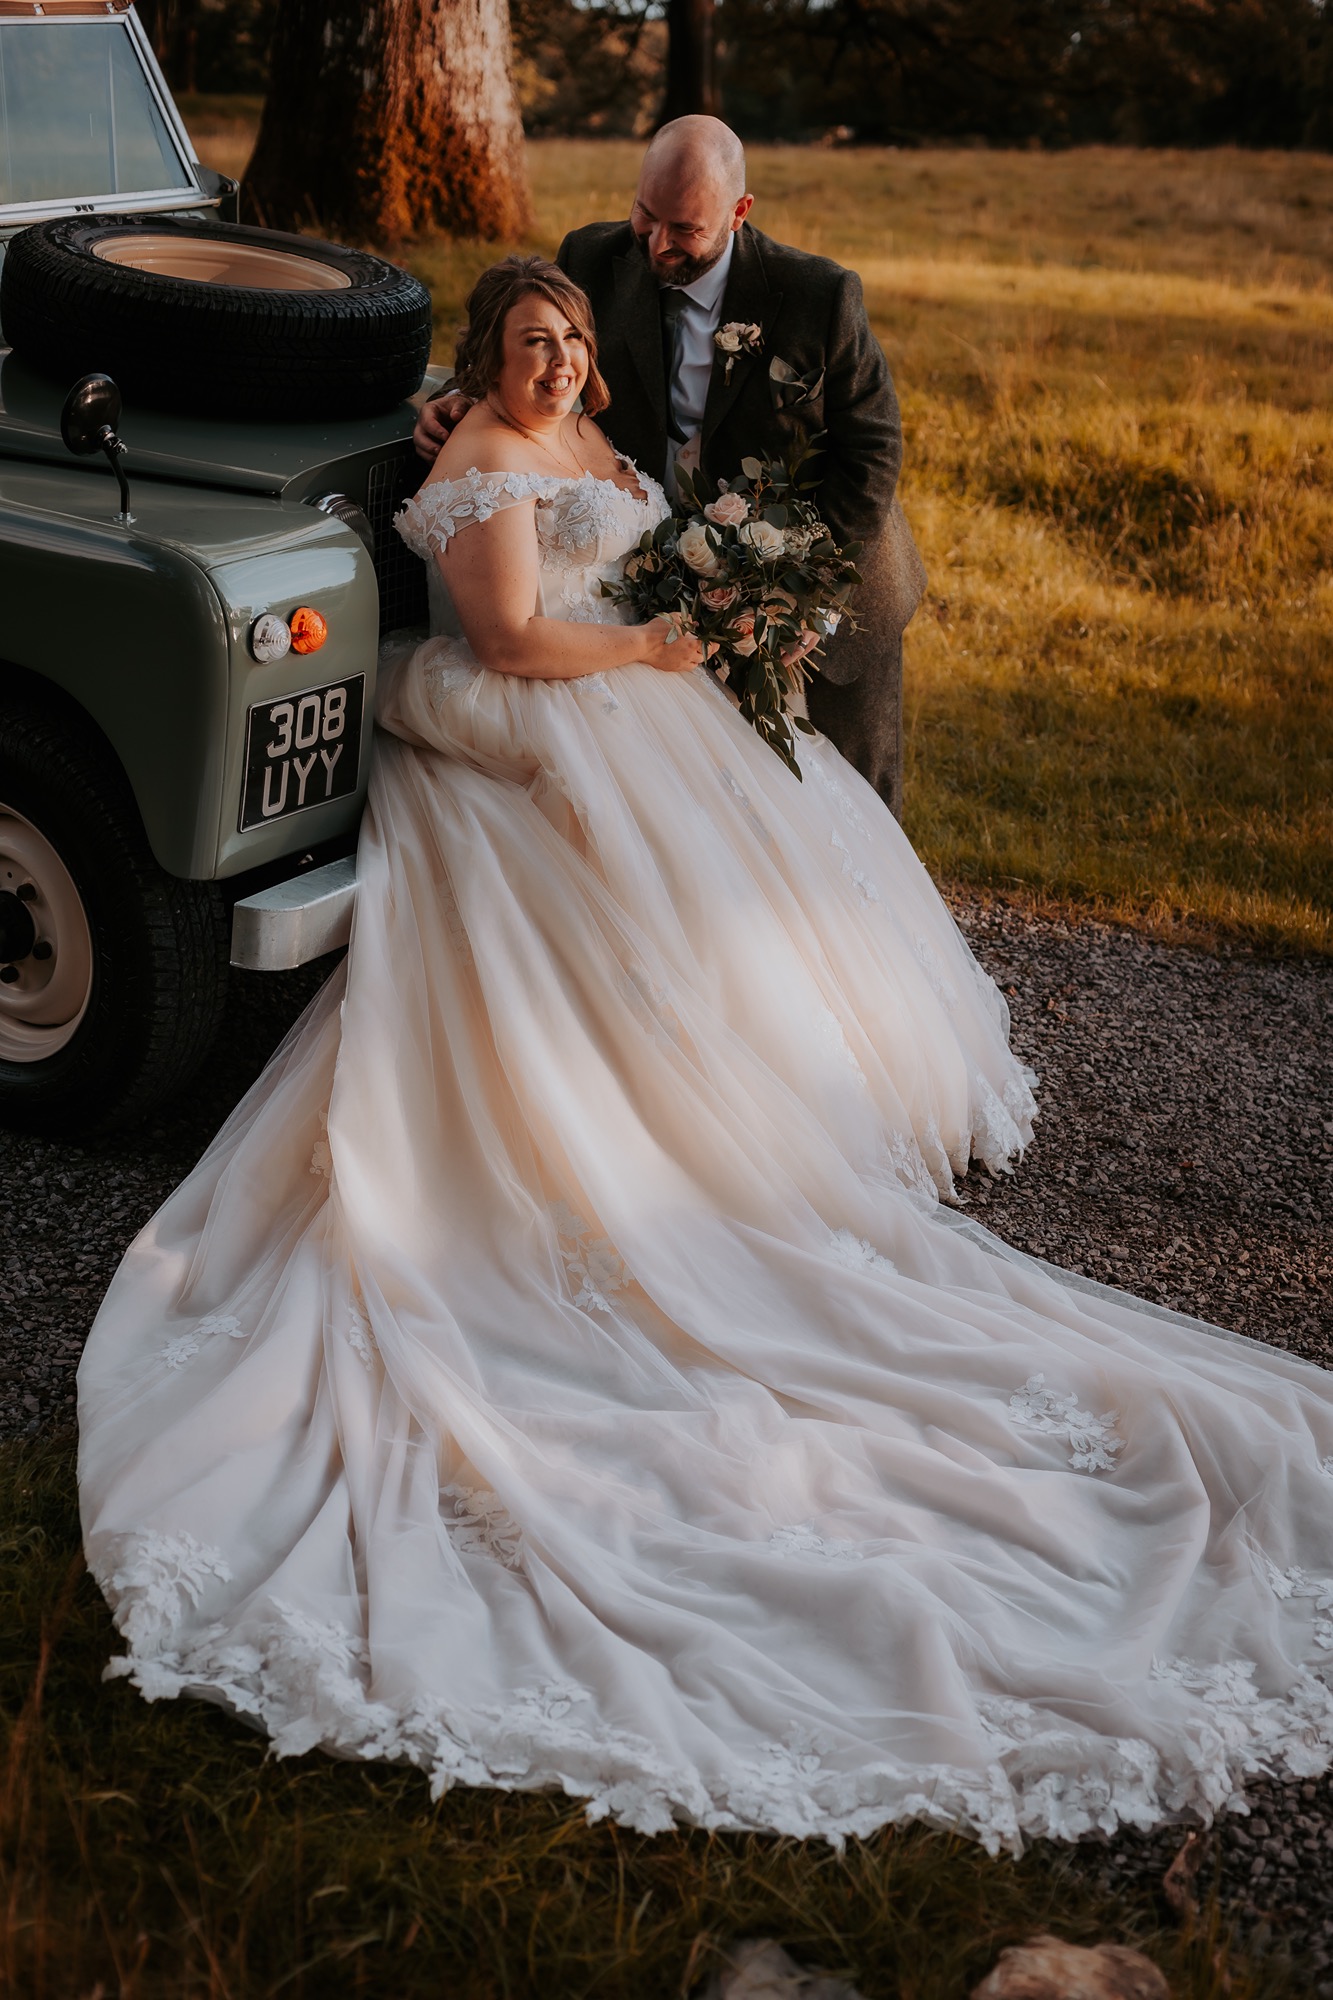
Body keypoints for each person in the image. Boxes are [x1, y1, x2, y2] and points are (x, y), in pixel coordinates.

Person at [79, 256, 1333, 1856]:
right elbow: (519, 640)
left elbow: (627, 545)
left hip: (630, 688)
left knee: (767, 891)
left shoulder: (582, 443)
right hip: (535, 713)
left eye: (568, 341)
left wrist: (700, 605)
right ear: (486, 357)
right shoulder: (472, 469)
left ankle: (751, 1112)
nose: (552, 359)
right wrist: (661, 652)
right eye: (527, 341)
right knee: (602, 935)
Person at [415, 116, 925, 817]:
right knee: (730, 794)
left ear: (738, 213)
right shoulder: (594, 258)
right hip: (678, 572)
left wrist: (800, 589)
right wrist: (454, 400)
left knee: (852, 796)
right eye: (645, 215)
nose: (657, 243)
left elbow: (872, 449)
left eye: (684, 230)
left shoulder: (817, 295)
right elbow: (531, 338)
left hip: (832, 571)